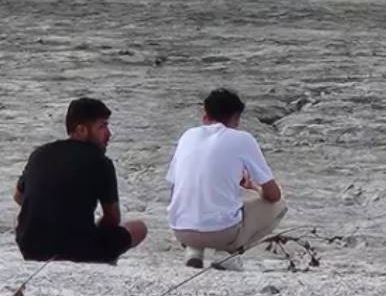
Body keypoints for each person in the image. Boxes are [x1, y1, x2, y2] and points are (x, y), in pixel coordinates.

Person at [13, 98, 148, 263]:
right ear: (81, 130)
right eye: (102, 126)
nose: (108, 133)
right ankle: (106, 260)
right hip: (77, 251)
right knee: (138, 228)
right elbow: (112, 218)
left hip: (30, 247)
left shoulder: (39, 154)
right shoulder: (101, 162)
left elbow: (18, 197)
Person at [167, 89, 287, 271]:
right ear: (237, 118)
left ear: (205, 115)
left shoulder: (188, 135)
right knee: (279, 204)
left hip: (181, 230)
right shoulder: (242, 139)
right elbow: (273, 194)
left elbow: (174, 186)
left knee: (203, 201)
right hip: (221, 234)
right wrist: (253, 186)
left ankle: (194, 251)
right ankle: (228, 254)